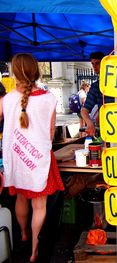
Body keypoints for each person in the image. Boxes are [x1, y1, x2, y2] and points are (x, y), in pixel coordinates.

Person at [0, 53, 64, 262]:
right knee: (39, 206)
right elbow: (51, 132)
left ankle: (24, 234)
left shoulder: (7, 99)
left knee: (20, 197)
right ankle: (35, 250)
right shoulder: (49, 98)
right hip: (39, 160)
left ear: (14, 72)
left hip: (17, 158)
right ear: (36, 72)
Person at [80, 52, 114, 136]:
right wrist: (90, 123)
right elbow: (84, 110)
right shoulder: (96, 86)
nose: (94, 66)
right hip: (106, 130)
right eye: (92, 64)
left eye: (97, 63)